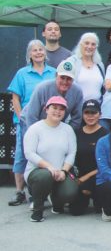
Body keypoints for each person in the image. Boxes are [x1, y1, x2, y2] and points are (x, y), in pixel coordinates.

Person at [7, 40, 56, 206]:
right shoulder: (22, 73)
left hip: (48, 122)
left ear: (45, 53)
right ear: (29, 54)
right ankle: (19, 191)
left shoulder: (53, 72)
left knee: (44, 154)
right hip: (26, 123)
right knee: (23, 154)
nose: (38, 53)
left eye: (40, 49)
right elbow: (15, 98)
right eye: (34, 50)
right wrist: (21, 117)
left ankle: (42, 191)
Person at [23, 96, 77, 222]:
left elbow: (71, 153)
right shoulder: (35, 129)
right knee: (45, 176)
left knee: (71, 191)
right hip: (37, 172)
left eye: (61, 109)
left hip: (59, 172)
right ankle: (37, 209)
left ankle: (57, 202)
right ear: (46, 109)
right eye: (54, 108)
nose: (58, 111)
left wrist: (64, 171)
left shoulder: (67, 129)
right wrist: (49, 167)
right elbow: (29, 153)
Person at [70, 100, 108, 216]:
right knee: (75, 211)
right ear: (82, 114)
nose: (90, 116)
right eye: (87, 112)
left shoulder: (106, 134)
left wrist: (85, 178)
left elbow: (108, 163)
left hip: (98, 175)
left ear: (100, 114)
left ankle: (96, 195)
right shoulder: (76, 133)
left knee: (99, 208)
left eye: (94, 112)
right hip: (79, 175)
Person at [22, 60, 84, 130]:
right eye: (62, 77)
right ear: (56, 75)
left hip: (55, 125)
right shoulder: (42, 88)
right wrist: (37, 135)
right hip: (28, 122)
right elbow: (31, 116)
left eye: (69, 79)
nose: (65, 82)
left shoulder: (77, 92)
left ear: (73, 79)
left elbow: (77, 118)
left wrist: (67, 132)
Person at [64, 32, 105, 102]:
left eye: (93, 44)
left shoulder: (100, 64)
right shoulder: (70, 62)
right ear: (81, 44)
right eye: (87, 43)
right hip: (76, 106)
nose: (89, 47)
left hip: (96, 107)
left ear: (96, 47)